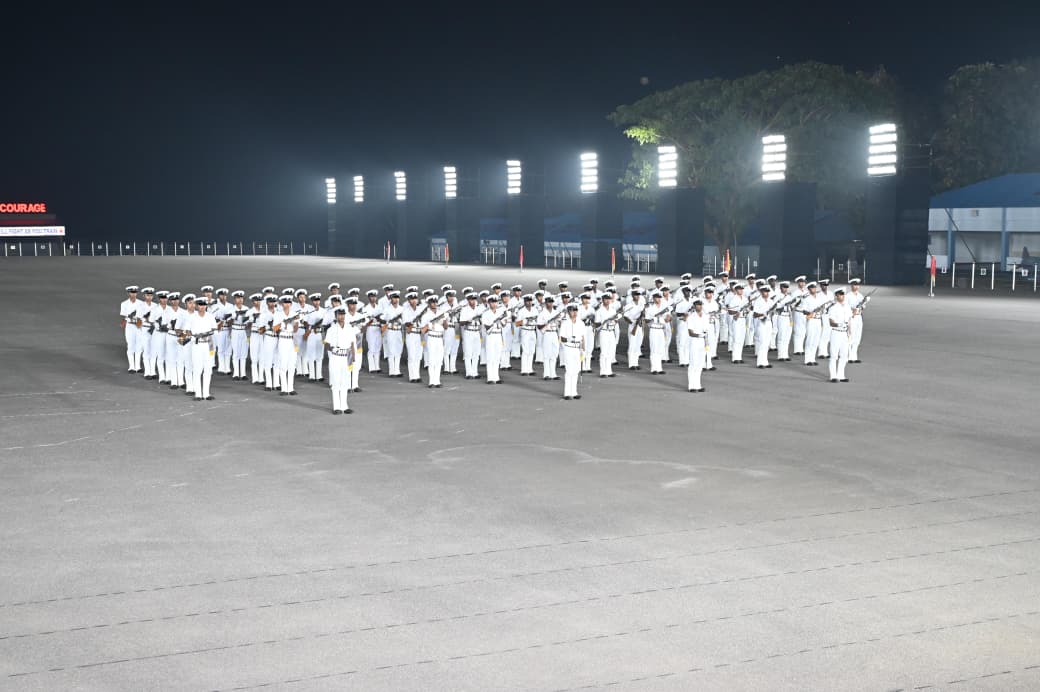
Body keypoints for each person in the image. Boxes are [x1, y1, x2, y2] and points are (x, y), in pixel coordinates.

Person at [324, 306, 357, 414]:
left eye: (343, 314)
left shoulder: (349, 328)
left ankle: (344, 406)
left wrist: (353, 358)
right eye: (339, 314)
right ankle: (336, 407)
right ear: (336, 316)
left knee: (345, 382)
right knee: (336, 382)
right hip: (336, 357)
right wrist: (333, 348)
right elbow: (327, 345)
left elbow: (352, 344)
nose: (341, 316)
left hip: (346, 357)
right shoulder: (331, 329)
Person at [186, 296, 217, 401]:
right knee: (197, 369)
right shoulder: (192, 317)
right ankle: (198, 394)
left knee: (208, 369)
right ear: (197, 305)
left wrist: (209, 335)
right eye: (200, 305)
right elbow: (187, 331)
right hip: (197, 344)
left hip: (208, 344)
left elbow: (214, 329)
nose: (202, 307)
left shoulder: (210, 316)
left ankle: (206, 393)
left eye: (204, 305)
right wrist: (194, 336)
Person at [558, 304, 585, 400]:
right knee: (569, 370)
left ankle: (574, 392)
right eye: (572, 311)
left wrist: (583, 349)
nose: (574, 313)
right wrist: (569, 339)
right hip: (569, 348)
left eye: (576, 311)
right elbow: (561, 338)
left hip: (578, 348)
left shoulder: (581, 323)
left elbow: (582, 337)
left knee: (576, 370)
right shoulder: (565, 323)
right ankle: (567, 393)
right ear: (568, 312)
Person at [420, 296, 448, 388]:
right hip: (431, 338)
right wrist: (430, 325)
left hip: (440, 338)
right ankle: (431, 381)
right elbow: (423, 331)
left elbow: (446, 327)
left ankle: (437, 380)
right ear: (429, 303)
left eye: (436, 302)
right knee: (432, 360)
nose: (435, 304)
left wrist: (445, 320)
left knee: (439, 360)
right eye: (432, 302)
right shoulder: (425, 315)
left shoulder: (441, 313)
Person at [274, 295, 300, 395]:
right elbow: (275, 329)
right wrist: (285, 322)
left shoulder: (294, 314)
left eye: (289, 303)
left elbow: (296, 330)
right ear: (282, 304)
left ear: (291, 304)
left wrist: (296, 322)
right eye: (285, 303)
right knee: (283, 364)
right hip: (283, 339)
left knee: (292, 364)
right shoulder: (278, 314)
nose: (287, 305)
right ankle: (284, 388)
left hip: (292, 340)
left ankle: (291, 388)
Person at [481, 295, 508, 384]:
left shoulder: (500, 312)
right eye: (492, 302)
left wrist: (500, 320)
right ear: (489, 303)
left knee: (497, 357)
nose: (494, 304)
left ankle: (496, 377)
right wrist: (494, 322)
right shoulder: (485, 314)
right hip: (491, 336)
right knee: (490, 357)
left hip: (498, 336)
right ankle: (490, 378)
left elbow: (504, 324)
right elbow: (486, 327)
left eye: (495, 302)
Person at [827, 288, 852, 383]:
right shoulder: (833, 308)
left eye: (843, 294)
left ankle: (841, 375)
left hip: (844, 333)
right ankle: (833, 376)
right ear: (836, 296)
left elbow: (849, 320)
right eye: (840, 294)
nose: (842, 296)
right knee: (834, 355)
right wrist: (839, 324)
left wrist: (850, 332)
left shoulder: (847, 307)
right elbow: (831, 322)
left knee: (844, 355)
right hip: (836, 332)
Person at [593, 292, 620, 378]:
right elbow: (597, 325)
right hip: (604, 332)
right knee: (604, 352)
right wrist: (605, 322)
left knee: (610, 352)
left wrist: (614, 320)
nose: (607, 301)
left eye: (609, 299)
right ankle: (603, 371)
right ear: (602, 300)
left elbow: (616, 321)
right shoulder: (599, 311)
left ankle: (609, 371)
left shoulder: (613, 310)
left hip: (611, 332)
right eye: (605, 299)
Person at [644, 290, 672, 374]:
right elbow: (646, 320)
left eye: (660, 297)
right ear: (653, 298)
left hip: (661, 330)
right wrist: (655, 318)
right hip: (654, 329)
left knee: (660, 349)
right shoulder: (650, 308)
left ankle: (659, 368)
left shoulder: (664, 307)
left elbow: (669, 318)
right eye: (656, 297)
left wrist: (668, 318)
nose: (658, 299)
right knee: (654, 349)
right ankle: (654, 368)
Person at [537, 295, 563, 380]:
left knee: (554, 354)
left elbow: (559, 324)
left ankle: (553, 374)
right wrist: (548, 322)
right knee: (547, 354)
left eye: (551, 302)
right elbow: (539, 326)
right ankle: (546, 374)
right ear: (545, 303)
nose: (550, 304)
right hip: (547, 334)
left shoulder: (556, 312)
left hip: (554, 333)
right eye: (548, 302)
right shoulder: (542, 314)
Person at [226, 290, 251, 380]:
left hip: (244, 331)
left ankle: (243, 374)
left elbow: (249, 325)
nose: (239, 300)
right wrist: (234, 317)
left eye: (241, 298)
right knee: (236, 352)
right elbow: (228, 324)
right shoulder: (231, 309)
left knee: (244, 353)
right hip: (235, 331)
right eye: (237, 298)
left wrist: (249, 321)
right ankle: (236, 374)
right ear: (234, 299)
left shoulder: (247, 309)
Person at [459, 292, 484, 379]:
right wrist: (468, 320)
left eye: (474, 299)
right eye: (471, 299)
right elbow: (461, 323)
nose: (473, 301)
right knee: (468, 353)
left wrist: (480, 320)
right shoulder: (465, 309)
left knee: (476, 353)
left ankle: (475, 372)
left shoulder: (479, 309)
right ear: (468, 300)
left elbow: (482, 322)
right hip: (468, 331)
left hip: (476, 331)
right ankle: (468, 373)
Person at [514, 294, 540, 376]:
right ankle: (524, 369)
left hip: (532, 331)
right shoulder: (521, 311)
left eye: (530, 301)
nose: (529, 303)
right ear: (524, 302)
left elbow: (538, 320)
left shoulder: (535, 310)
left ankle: (530, 368)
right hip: (525, 331)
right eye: (527, 301)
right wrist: (525, 321)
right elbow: (517, 323)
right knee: (525, 351)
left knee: (532, 350)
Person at [119, 285, 143, 373]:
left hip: (138, 326)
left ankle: (138, 366)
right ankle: (131, 366)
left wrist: (139, 323)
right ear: (128, 293)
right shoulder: (124, 304)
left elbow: (143, 316)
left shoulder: (141, 303)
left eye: (135, 292)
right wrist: (126, 321)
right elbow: (125, 317)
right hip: (130, 327)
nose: (133, 294)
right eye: (131, 292)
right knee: (131, 345)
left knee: (139, 346)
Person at [381, 291, 405, 377]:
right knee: (391, 351)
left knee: (398, 350)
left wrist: (400, 320)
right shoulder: (387, 309)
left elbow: (405, 321)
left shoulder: (402, 309)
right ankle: (392, 371)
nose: (396, 299)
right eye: (394, 298)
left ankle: (397, 370)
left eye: (397, 297)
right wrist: (388, 321)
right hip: (390, 330)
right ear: (391, 299)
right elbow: (382, 319)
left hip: (398, 331)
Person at [685, 299, 708, 392]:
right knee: (693, 363)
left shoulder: (705, 316)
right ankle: (691, 386)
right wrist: (699, 335)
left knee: (700, 364)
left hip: (703, 341)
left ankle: (698, 385)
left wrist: (706, 342)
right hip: (694, 340)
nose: (699, 306)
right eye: (697, 305)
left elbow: (706, 330)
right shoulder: (691, 317)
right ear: (694, 306)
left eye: (700, 304)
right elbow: (690, 332)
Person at [799, 282, 823, 367]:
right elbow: (803, 311)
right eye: (812, 288)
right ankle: (807, 359)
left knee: (816, 340)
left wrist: (821, 310)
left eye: (815, 288)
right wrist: (811, 312)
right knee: (810, 339)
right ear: (809, 289)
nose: (814, 289)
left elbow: (823, 309)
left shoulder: (819, 298)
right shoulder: (806, 299)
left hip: (818, 320)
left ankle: (813, 358)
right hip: (811, 320)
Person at [751, 285, 774, 368]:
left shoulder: (771, 301)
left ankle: (765, 362)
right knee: (762, 343)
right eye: (765, 291)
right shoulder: (758, 301)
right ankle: (760, 362)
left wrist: (771, 312)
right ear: (761, 292)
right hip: (762, 322)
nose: (766, 293)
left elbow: (773, 311)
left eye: (768, 292)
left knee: (767, 343)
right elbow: (754, 314)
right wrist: (763, 314)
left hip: (768, 322)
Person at [623, 289, 645, 370]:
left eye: (638, 295)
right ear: (632, 296)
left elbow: (644, 315)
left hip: (639, 325)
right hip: (632, 325)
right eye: (636, 295)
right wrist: (632, 323)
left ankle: (636, 362)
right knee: (632, 345)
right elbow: (625, 317)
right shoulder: (629, 305)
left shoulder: (641, 305)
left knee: (638, 345)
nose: (637, 296)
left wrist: (641, 321)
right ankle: (631, 364)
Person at [725, 284, 747, 364]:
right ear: (736, 290)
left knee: (741, 339)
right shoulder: (734, 299)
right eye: (739, 289)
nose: (741, 290)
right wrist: (737, 312)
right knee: (736, 339)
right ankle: (735, 358)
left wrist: (746, 311)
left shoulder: (745, 299)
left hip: (743, 319)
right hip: (736, 320)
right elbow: (730, 311)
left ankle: (739, 357)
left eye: (742, 289)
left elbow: (748, 309)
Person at [846, 278, 866, 363]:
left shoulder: (860, 295)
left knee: (858, 337)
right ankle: (849, 356)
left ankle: (854, 356)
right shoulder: (847, 296)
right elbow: (845, 308)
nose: (856, 286)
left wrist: (863, 303)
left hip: (859, 317)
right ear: (851, 286)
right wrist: (852, 309)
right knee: (851, 336)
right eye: (854, 285)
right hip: (851, 317)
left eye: (857, 285)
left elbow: (863, 307)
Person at [247, 293, 265, 384]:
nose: (258, 302)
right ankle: (255, 378)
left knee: (262, 357)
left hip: (262, 335)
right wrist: (252, 319)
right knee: (254, 357)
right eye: (256, 300)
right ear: (253, 302)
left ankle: (261, 378)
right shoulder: (250, 312)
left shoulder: (264, 311)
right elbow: (247, 326)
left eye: (259, 300)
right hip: (254, 334)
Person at [775, 281, 794, 362]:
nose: (785, 289)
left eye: (786, 287)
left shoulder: (789, 297)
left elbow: (792, 308)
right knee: (781, 336)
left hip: (788, 317)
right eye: (784, 287)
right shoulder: (778, 296)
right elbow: (775, 307)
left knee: (787, 337)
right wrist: (783, 305)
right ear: (780, 288)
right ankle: (780, 355)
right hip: (781, 316)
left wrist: (792, 305)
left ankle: (785, 354)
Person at [791, 276, 808, 355]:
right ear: (798, 283)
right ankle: (797, 349)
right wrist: (799, 300)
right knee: (798, 331)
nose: (802, 283)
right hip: (798, 312)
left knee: (803, 331)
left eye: (803, 282)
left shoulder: (807, 292)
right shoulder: (795, 293)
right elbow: (792, 305)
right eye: (800, 282)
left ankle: (801, 349)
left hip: (805, 313)